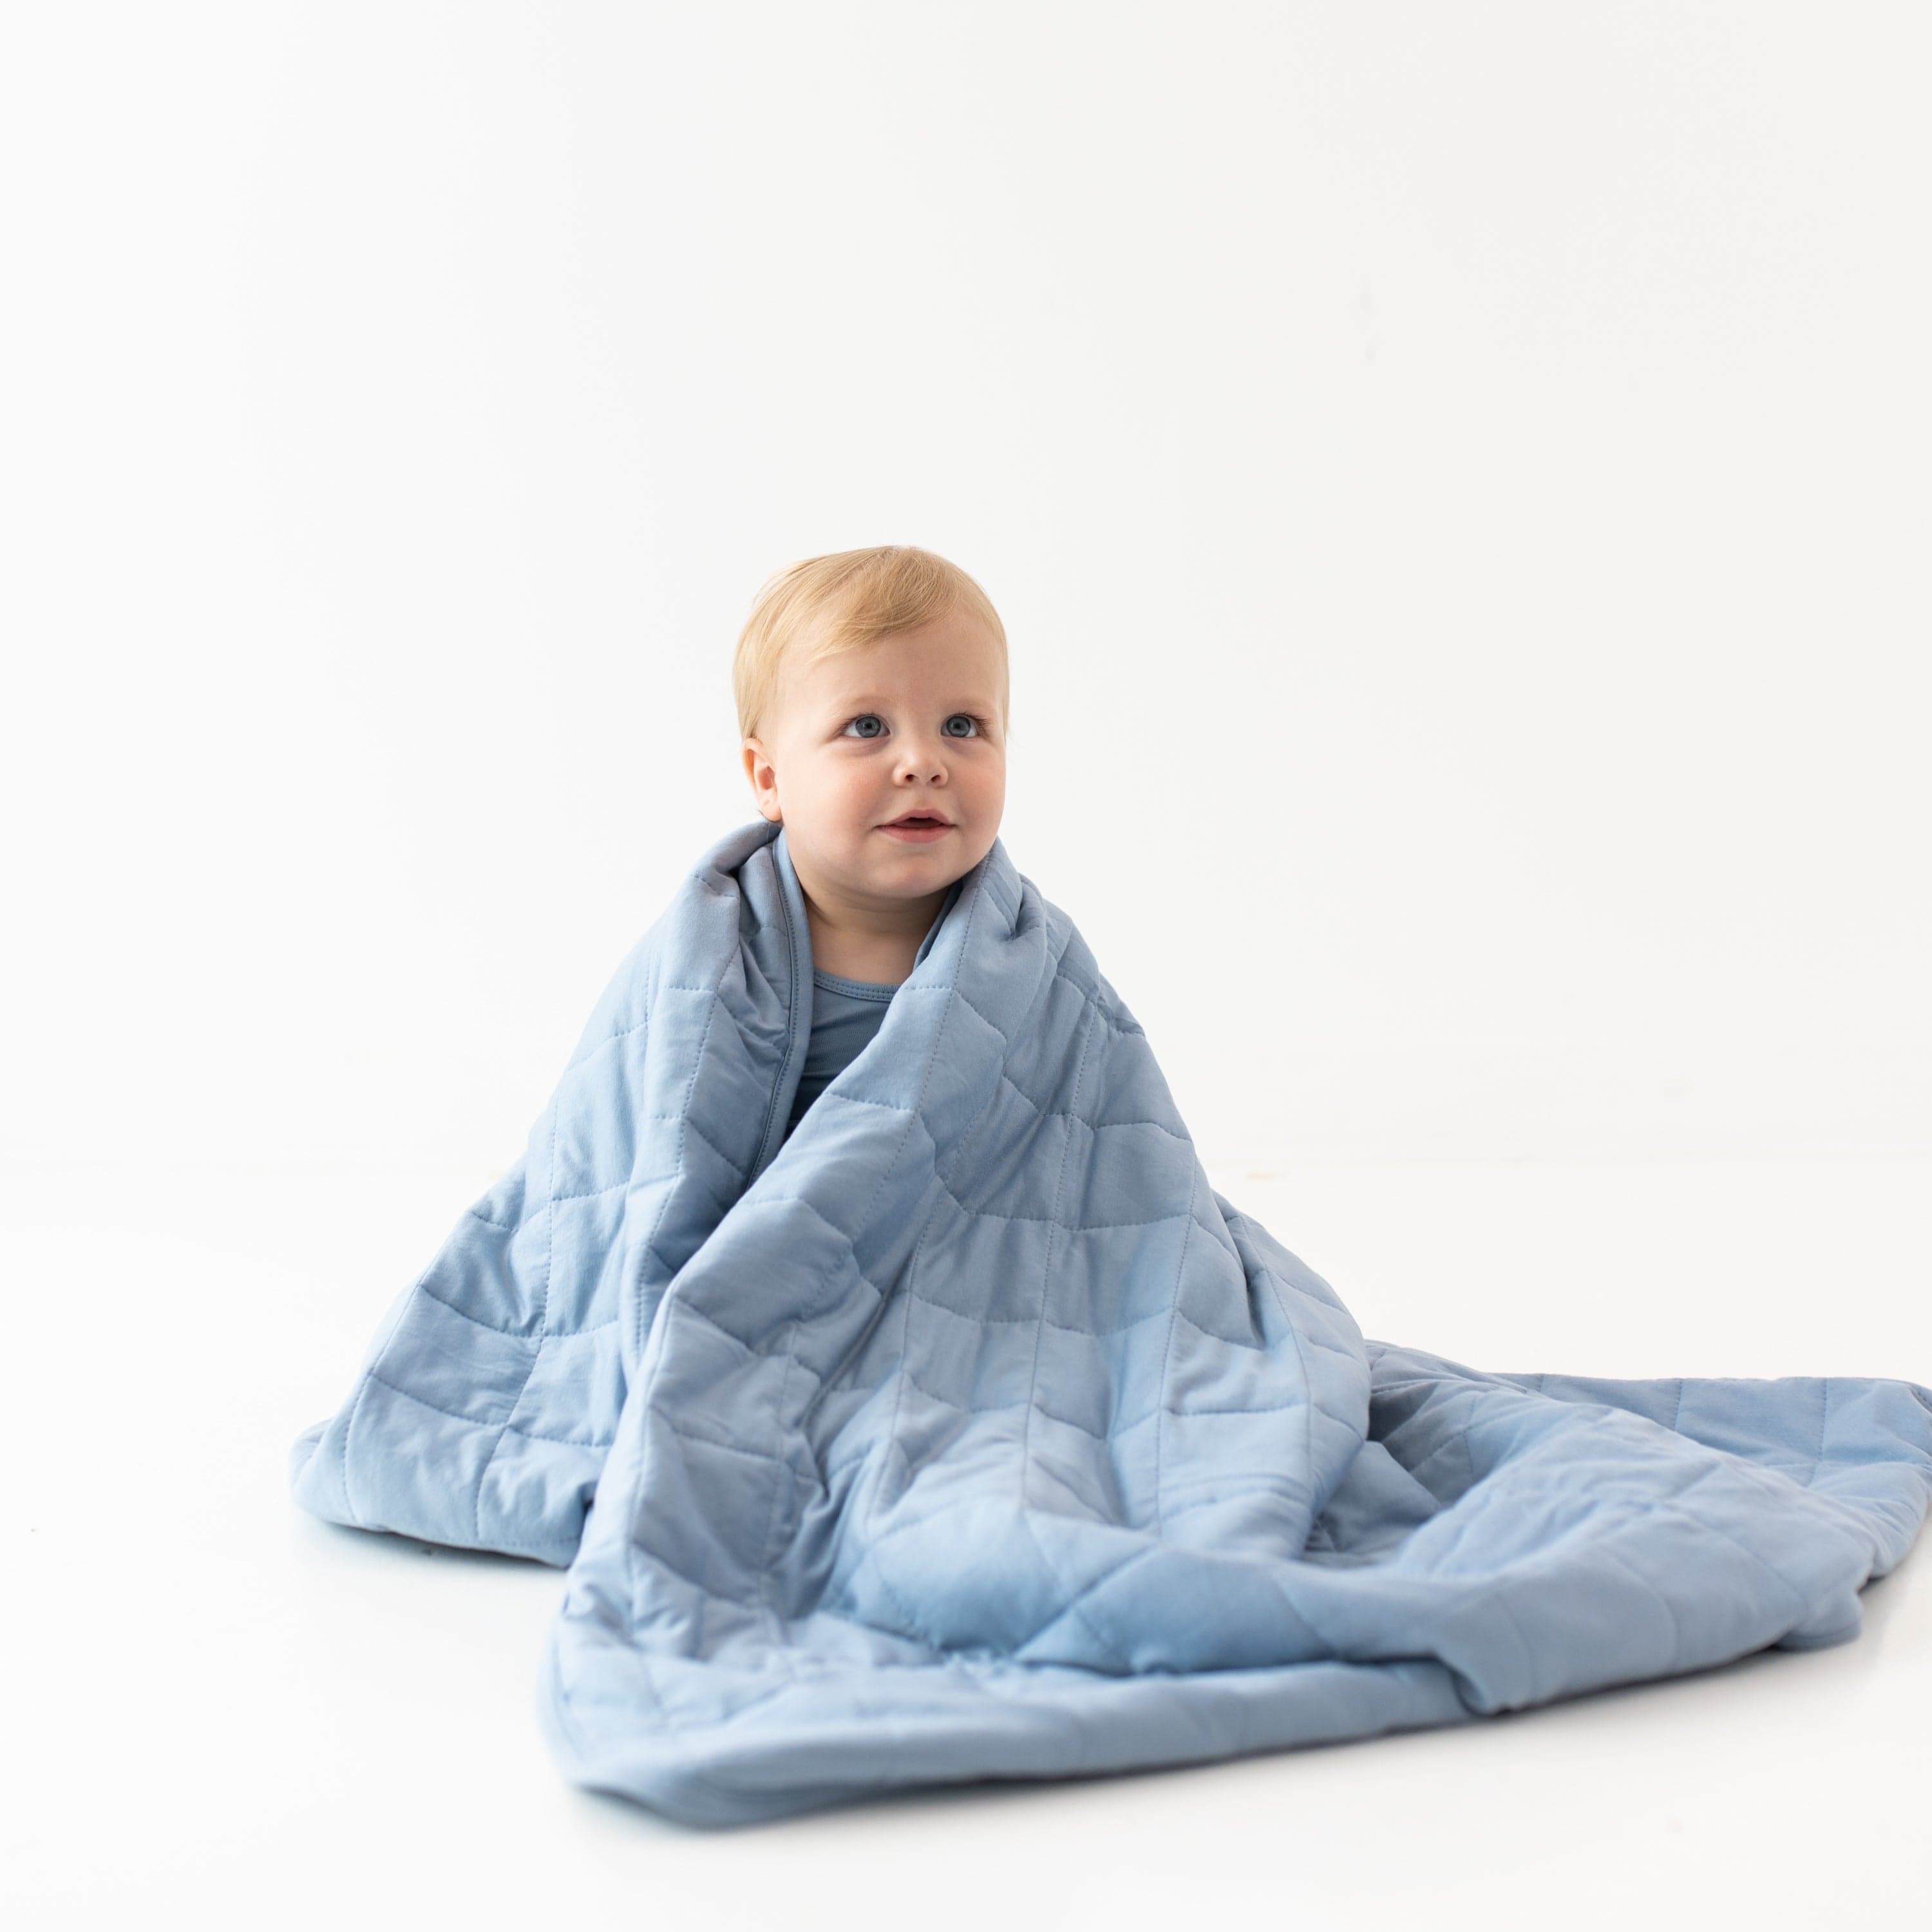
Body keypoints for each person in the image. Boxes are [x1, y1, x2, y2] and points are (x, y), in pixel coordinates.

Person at [733, 545, 1010, 1141]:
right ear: (770, 779)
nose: (922, 763)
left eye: (961, 726)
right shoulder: (711, 959)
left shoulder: (1033, 963)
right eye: (867, 727)